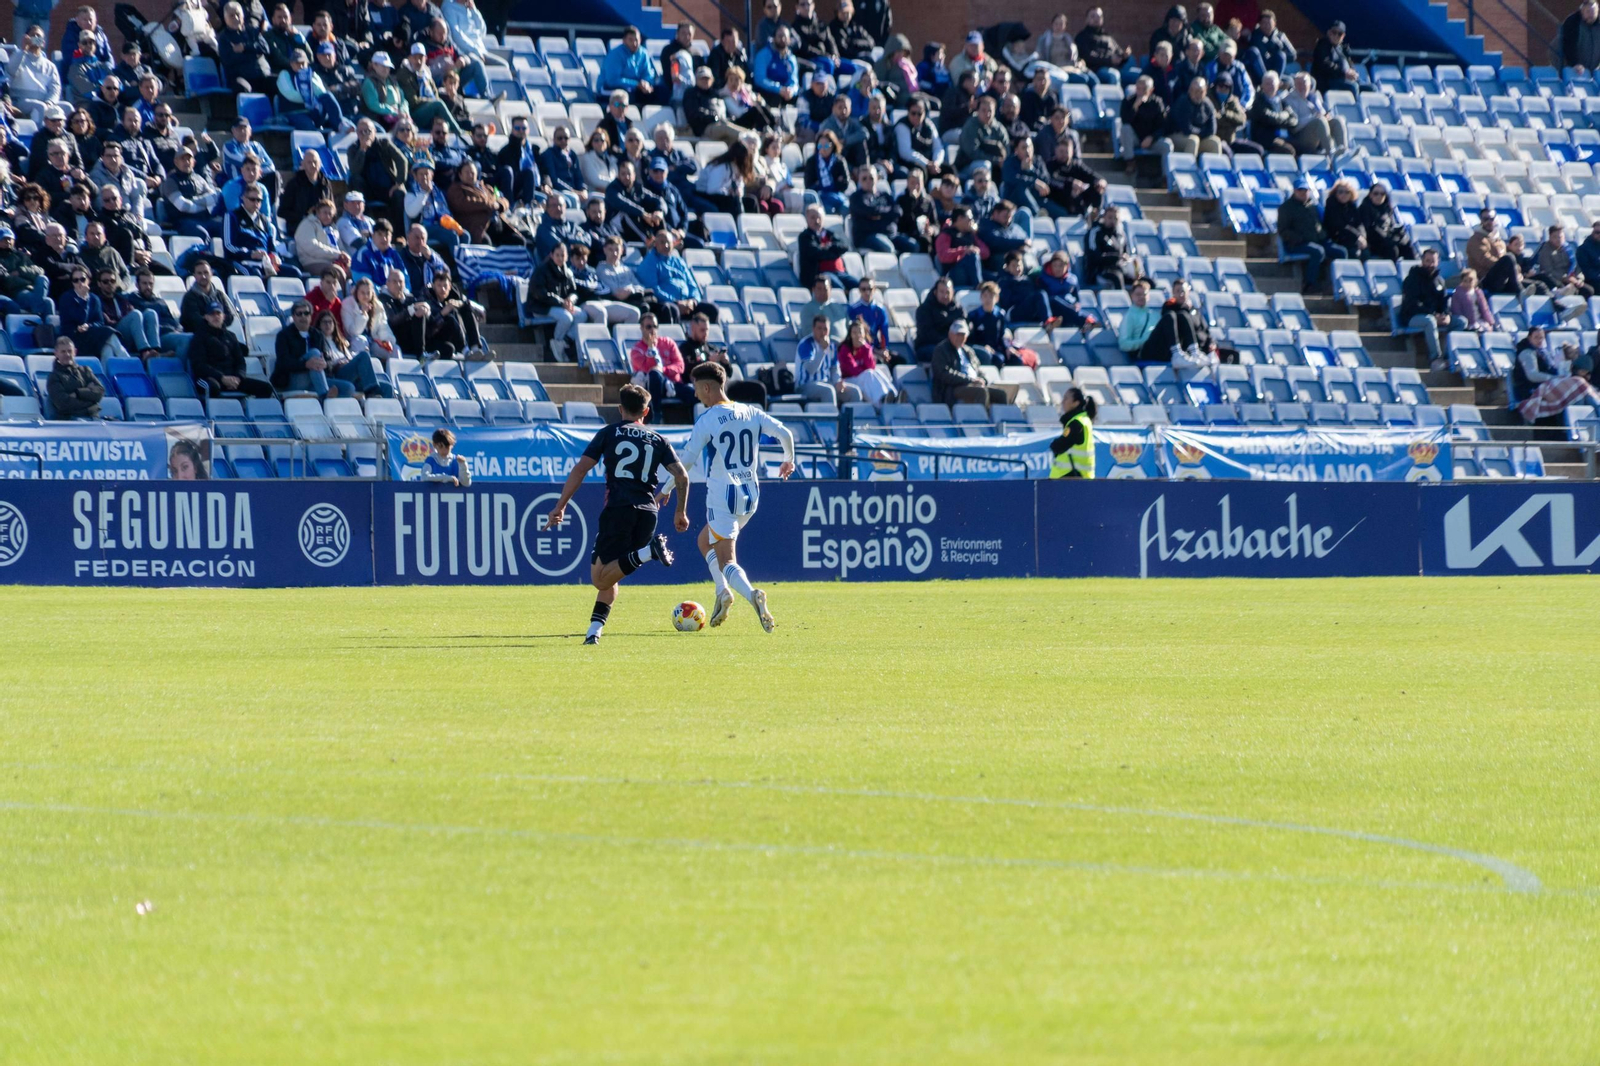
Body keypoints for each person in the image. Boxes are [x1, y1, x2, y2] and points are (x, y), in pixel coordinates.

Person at [545, 384, 689, 646]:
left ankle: (648, 552)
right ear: (646, 411)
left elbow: (580, 470)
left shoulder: (609, 433)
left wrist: (561, 504)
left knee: (598, 577)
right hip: (648, 513)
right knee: (610, 575)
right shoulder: (658, 439)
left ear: (620, 409)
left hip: (619, 510)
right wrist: (680, 511)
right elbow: (682, 475)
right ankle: (593, 633)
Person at [668, 362, 795, 632]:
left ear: (706, 387)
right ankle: (721, 592)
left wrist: (666, 489)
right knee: (704, 541)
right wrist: (788, 460)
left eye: (696, 389)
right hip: (750, 495)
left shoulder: (708, 419)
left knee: (727, 560)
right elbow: (785, 433)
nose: (695, 396)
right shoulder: (751, 411)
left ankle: (752, 595)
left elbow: (687, 461)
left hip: (722, 496)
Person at [1512, 326, 1600, 424]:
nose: (1539, 340)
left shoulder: (1542, 352)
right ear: (1529, 338)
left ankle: (1589, 420)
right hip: (1532, 389)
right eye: (1536, 337)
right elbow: (1532, 375)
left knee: (1580, 393)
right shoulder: (1527, 352)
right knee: (1579, 382)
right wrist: (1555, 377)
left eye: (1541, 337)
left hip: (1549, 384)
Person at [193, 301, 274, 398]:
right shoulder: (199, 337)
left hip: (233, 379)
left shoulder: (231, 336)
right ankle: (217, 413)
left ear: (224, 316)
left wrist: (238, 378)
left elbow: (240, 361)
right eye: (212, 314)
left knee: (266, 388)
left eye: (218, 313)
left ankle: (254, 412)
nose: (216, 316)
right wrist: (222, 378)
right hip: (210, 378)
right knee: (213, 387)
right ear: (206, 317)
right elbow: (199, 365)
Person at [636, 229, 719, 323]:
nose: (666, 245)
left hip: (687, 305)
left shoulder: (679, 261)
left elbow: (692, 285)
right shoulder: (649, 262)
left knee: (711, 309)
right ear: (655, 244)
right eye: (662, 242)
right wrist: (675, 302)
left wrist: (693, 301)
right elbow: (653, 289)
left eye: (668, 242)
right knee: (672, 310)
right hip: (665, 304)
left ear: (673, 244)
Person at [1400, 248, 1460, 372]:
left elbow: (1443, 301)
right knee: (1430, 321)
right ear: (1422, 261)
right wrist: (1433, 314)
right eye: (1428, 261)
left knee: (1461, 322)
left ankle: (1448, 357)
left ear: (1438, 262)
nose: (1430, 264)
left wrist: (1446, 315)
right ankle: (1435, 358)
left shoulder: (1439, 280)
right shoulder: (1412, 279)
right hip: (1412, 316)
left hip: (1435, 316)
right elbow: (1412, 303)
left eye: (1433, 261)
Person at [933, 319, 1013, 408]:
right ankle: (982, 420)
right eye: (957, 334)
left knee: (1001, 394)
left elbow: (978, 370)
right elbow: (943, 373)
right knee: (981, 392)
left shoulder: (968, 351)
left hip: (973, 384)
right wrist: (969, 380)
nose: (960, 338)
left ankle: (1002, 419)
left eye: (962, 335)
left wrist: (983, 380)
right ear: (950, 334)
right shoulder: (941, 350)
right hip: (954, 388)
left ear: (966, 337)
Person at [1143, 277, 1220, 369]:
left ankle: (1197, 353)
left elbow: (1205, 330)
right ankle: (1188, 352)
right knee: (1181, 315)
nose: (1181, 294)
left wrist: (1211, 343)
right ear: (1173, 292)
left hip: (1202, 349)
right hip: (1184, 348)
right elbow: (1173, 320)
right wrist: (1184, 308)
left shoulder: (1195, 310)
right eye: (1178, 291)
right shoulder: (1170, 307)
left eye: (1183, 290)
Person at [629, 313, 697, 414]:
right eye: (648, 327)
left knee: (693, 393)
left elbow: (680, 366)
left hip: (672, 385)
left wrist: (663, 370)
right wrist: (651, 348)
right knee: (655, 375)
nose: (652, 330)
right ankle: (656, 416)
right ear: (642, 328)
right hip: (652, 388)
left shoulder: (668, 343)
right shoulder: (636, 350)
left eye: (655, 326)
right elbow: (649, 370)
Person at [1279, 177, 1339, 292]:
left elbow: (1322, 224)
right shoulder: (1286, 208)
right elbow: (1283, 230)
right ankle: (1309, 284)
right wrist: (1300, 239)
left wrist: (1324, 236)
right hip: (1297, 244)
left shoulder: (1313, 206)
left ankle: (1336, 284)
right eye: (1300, 190)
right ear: (1295, 191)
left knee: (1340, 252)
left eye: (1305, 190)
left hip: (1317, 241)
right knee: (1318, 251)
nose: (1303, 192)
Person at [792, 313, 849, 403]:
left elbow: (834, 369)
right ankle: (832, 417)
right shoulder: (806, 344)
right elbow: (811, 369)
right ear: (813, 329)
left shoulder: (832, 346)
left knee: (854, 392)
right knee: (828, 391)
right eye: (819, 328)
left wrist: (837, 382)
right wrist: (822, 350)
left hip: (826, 383)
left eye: (825, 329)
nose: (822, 332)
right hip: (805, 385)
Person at [46, 336, 103, 419]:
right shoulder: (54, 377)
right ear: (56, 354)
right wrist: (91, 401)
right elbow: (63, 404)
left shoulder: (85, 371)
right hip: (70, 420)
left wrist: (77, 393)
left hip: (93, 417)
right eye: (63, 352)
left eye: (70, 351)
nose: (67, 354)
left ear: (75, 352)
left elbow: (100, 392)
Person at [1084, 204, 1138, 289]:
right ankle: (1121, 302)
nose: (1112, 221)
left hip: (1119, 269)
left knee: (1144, 281)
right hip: (1100, 271)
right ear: (1103, 217)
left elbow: (1126, 254)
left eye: (1115, 218)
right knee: (1117, 277)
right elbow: (1094, 257)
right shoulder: (1095, 233)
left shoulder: (1120, 235)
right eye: (1110, 217)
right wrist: (1117, 257)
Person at [1358, 184, 1415, 261]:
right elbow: (1369, 228)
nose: (1379, 196)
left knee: (1407, 247)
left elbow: (1391, 225)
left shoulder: (1387, 208)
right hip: (1373, 242)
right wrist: (1387, 238)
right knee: (1393, 249)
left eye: (1382, 194)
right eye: (1376, 193)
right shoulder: (1364, 208)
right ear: (1370, 195)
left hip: (1387, 238)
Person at [1119, 75, 1168, 165]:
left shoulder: (1157, 102)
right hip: (1134, 139)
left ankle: (1166, 176)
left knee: (1167, 145)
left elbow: (1162, 125)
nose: (1140, 92)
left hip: (1151, 140)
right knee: (1125, 129)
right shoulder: (1128, 101)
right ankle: (1130, 162)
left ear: (1151, 90)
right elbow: (1125, 121)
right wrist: (1135, 107)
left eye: (1144, 89)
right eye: (1138, 88)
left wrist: (1152, 137)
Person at [1049, 386, 1096, 478]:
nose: (1063, 402)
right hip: (1080, 477)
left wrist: (1054, 444)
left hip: (1071, 477)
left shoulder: (1076, 423)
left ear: (1075, 403)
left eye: (1066, 398)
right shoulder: (1084, 420)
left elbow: (1059, 446)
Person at [1321, 179, 1366, 260]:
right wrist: (1358, 236)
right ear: (1335, 193)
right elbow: (1340, 225)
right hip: (1335, 239)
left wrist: (1362, 237)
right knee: (1351, 252)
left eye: (1347, 192)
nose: (1344, 194)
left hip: (1350, 238)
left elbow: (1359, 223)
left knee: (1366, 252)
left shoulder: (1351, 206)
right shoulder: (1331, 204)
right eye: (1340, 192)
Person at [1310, 21, 1358, 95]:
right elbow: (1325, 64)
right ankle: (1354, 106)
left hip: (1344, 79)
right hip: (1328, 80)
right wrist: (1343, 73)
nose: (1336, 36)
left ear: (1343, 36)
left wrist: (1352, 72)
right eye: (1334, 32)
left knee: (1371, 88)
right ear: (1329, 32)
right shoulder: (1322, 46)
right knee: (1353, 87)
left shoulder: (1343, 48)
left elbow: (1349, 62)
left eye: (1339, 34)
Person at [1246, 9, 1294, 84]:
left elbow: (1293, 55)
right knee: (1253, 51)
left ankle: (1274, 83)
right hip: (1259, 70)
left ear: (1274, 24)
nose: (1266, 26)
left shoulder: (1280, 36)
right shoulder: (1255, 35)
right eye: (1264, 23)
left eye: (1269, 23)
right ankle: (1266, 83)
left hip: (1275, 70)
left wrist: (1277, 49)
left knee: (1281, 55)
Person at [1118, 278, 1162, 356]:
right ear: (1132, 296)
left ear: (1148, 296)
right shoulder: (1129, 316)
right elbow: (1123, 344)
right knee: (1170, 317)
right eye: (1138, 294)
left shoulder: (1156, 315)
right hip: (1143, 351)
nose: (1141, 297)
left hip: (1160, 347)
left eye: (1144, 294)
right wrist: (1144, 341)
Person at [1450, 269, 1501, 333]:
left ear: (1475, 281)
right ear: (1462, 281)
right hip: (1468, 324)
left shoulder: (1478, 293)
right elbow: (1456, 311)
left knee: (1488, 329)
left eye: (1470, 280)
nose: (1468, 283)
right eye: (1465, 281)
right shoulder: (1458, 294)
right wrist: (1466, 324)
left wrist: (1491, 322)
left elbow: (1485, 309)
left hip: (1480, 321)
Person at [1563, 0, 1600, 74]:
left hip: (1595, 70)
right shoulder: (1573, 23)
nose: (1591, 15)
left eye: (1594, 12)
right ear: (1582, 11)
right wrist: (1574, 63)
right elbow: (1568, 45)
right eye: (1588, 11)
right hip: (1575, 69)